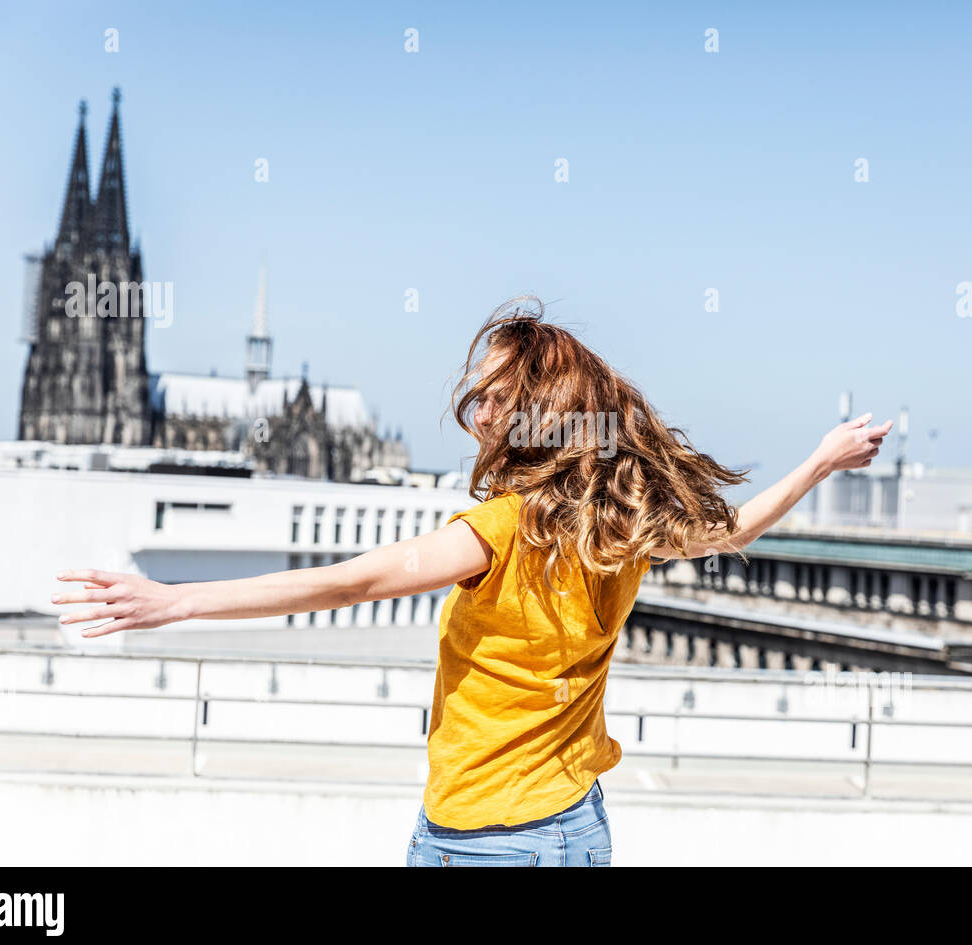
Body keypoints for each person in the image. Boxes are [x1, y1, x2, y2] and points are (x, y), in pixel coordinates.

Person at [51, 295, 892, 866]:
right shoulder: (615, 526)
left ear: (537, 411)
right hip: (540, 828)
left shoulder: (502, 528)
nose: (475, 410)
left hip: (498, 841)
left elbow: (355, 582)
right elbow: (731, 529)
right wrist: (820, 460)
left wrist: (176, 601)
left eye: (494, 396)